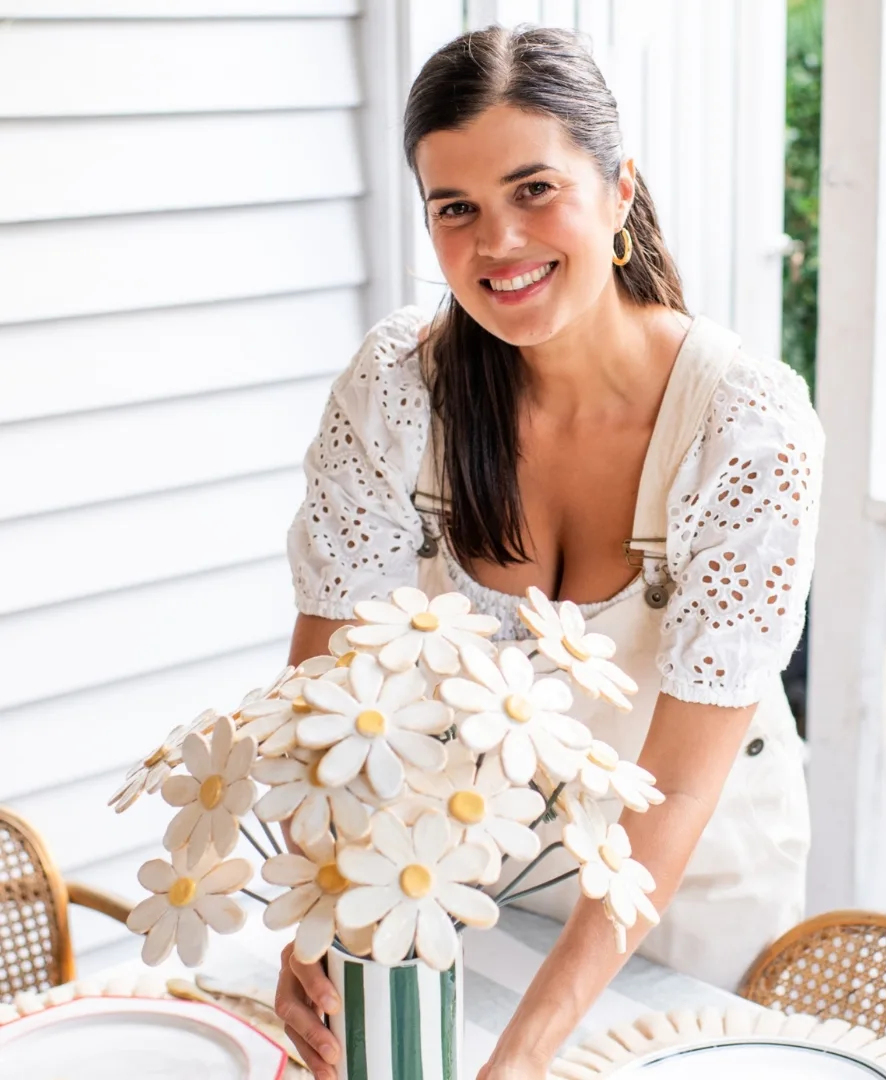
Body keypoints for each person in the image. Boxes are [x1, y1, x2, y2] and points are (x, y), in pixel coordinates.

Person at [270, 25, 820, 1079]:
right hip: (464, 861)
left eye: (535, 190)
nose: (497, 244)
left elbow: (680, 792)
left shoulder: (746, 429)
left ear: (619, 193)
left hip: (682, 885)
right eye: (456, 209)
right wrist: (309, 912)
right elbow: (324, 691)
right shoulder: (396, 390)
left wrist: (524, 1056)